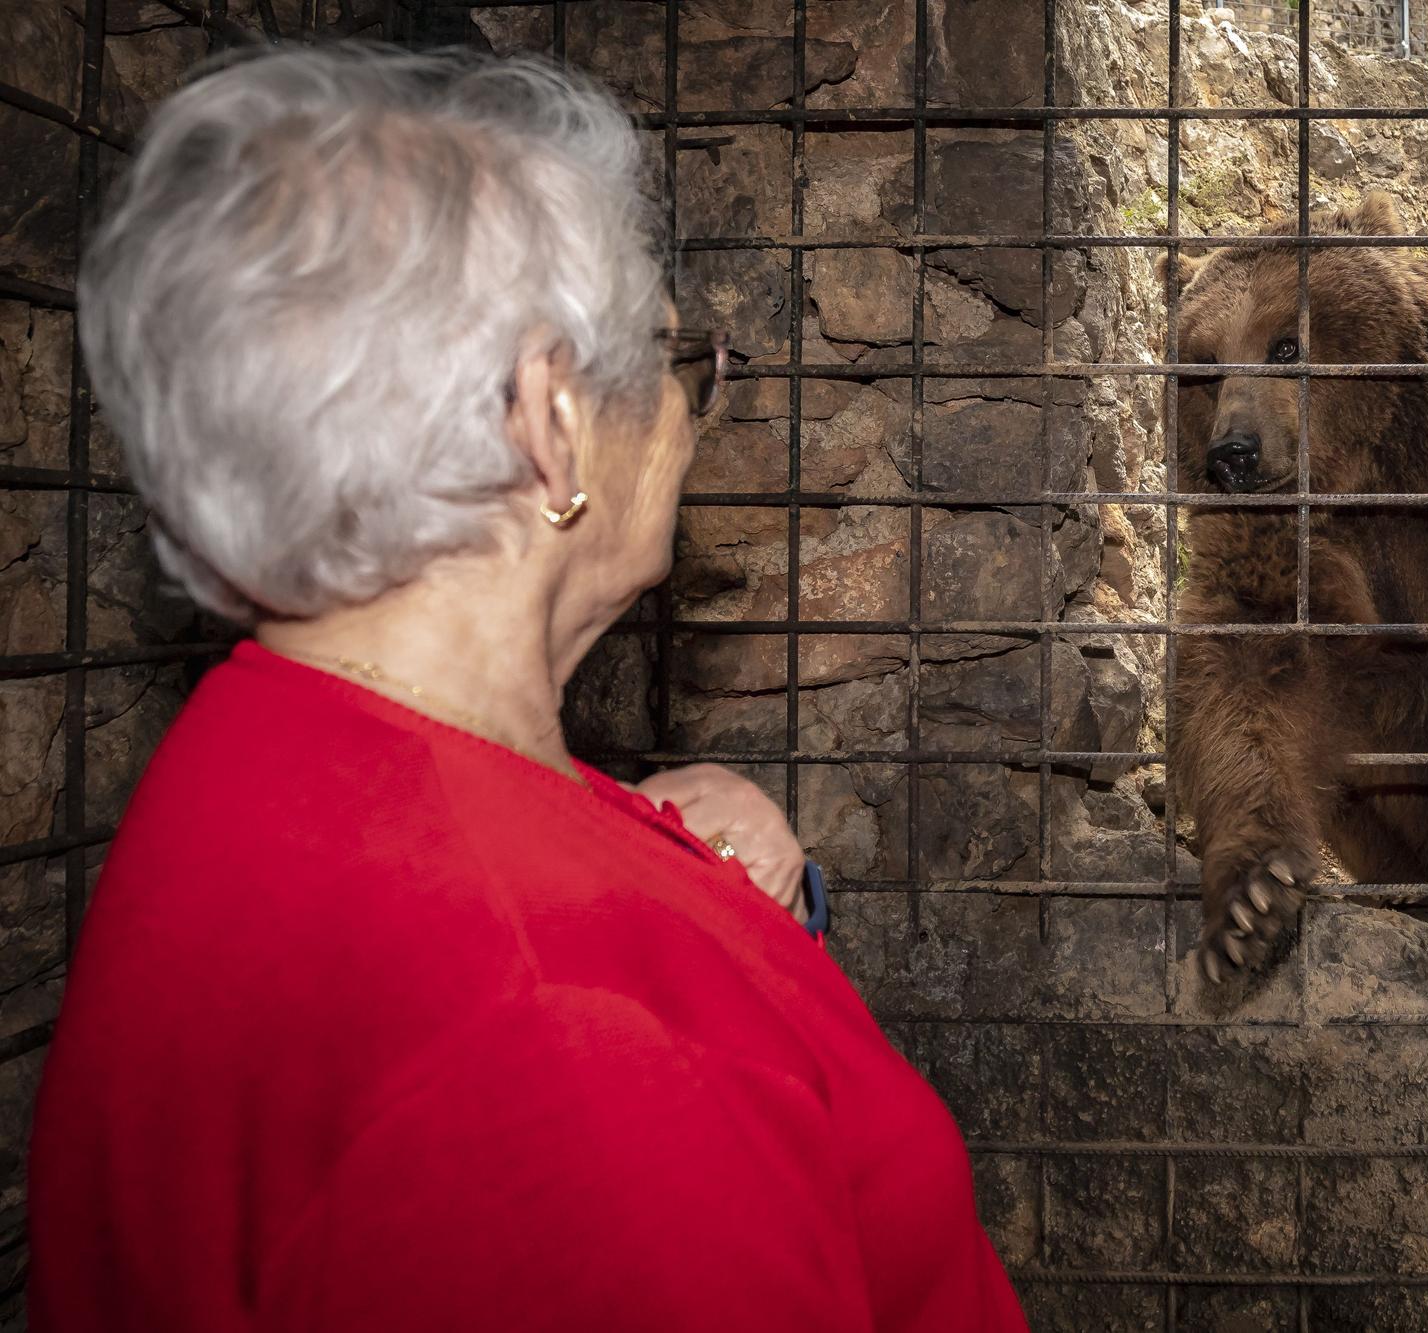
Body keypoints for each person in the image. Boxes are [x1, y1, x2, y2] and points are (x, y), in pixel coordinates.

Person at [28, 44, 1027, 1333]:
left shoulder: (266, 749)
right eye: (676, 357)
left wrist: (691, 896)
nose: (684, 412)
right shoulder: (563, 1063)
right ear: (550, 420)